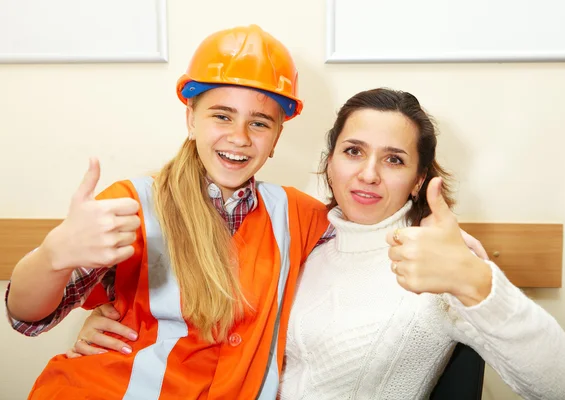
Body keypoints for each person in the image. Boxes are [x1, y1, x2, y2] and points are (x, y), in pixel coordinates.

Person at [75, 88, 565, 400]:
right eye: (353, 151)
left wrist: (478, 284)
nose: (367, 174)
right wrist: (124, 327)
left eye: (393, 159)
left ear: (417, 179)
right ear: (330, 161)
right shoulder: (303, 237)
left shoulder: (441, 261)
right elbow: (225, 321)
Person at [6, 24, 333, 400]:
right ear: (191, 119)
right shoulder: (133, 203)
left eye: (259, 123)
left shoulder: (300, 216)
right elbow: (27, 317)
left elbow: (372, 239)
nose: (240, 136)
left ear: (276, 137)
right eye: (222, 116)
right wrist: (53, 256)